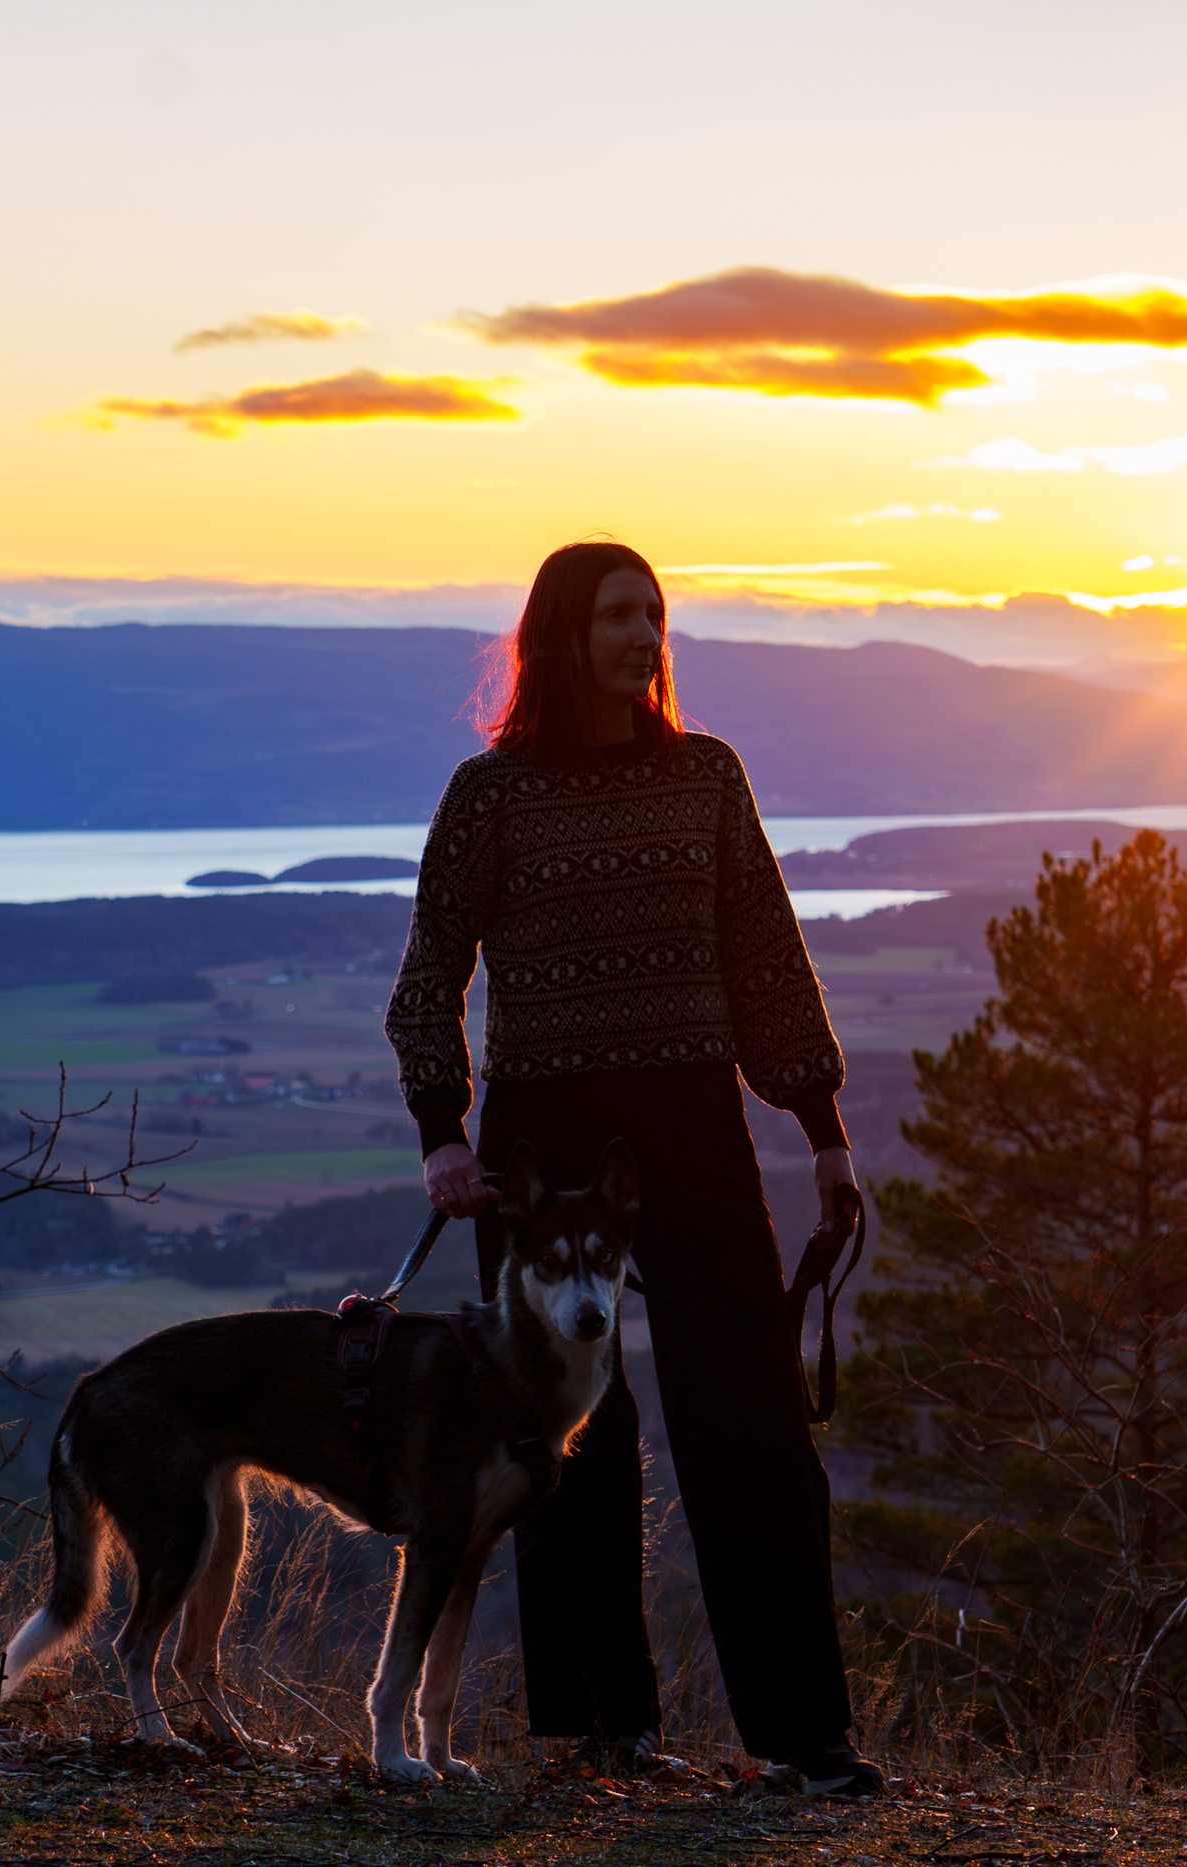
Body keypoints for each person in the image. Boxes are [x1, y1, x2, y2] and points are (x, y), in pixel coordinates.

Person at [382, 538, 882, 1795]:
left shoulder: (707, 778)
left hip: (694, 1128)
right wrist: (444, 1134)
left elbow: (769, 965)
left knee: (754, 1422)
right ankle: (602, 1732)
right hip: (540, 1145)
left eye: (654, 613)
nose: (642, 632)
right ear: (559, 634)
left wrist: (823, 1135)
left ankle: (802, 1737)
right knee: (568, 1447)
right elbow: (427, 979)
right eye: (617, 614)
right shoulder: (488, 797)